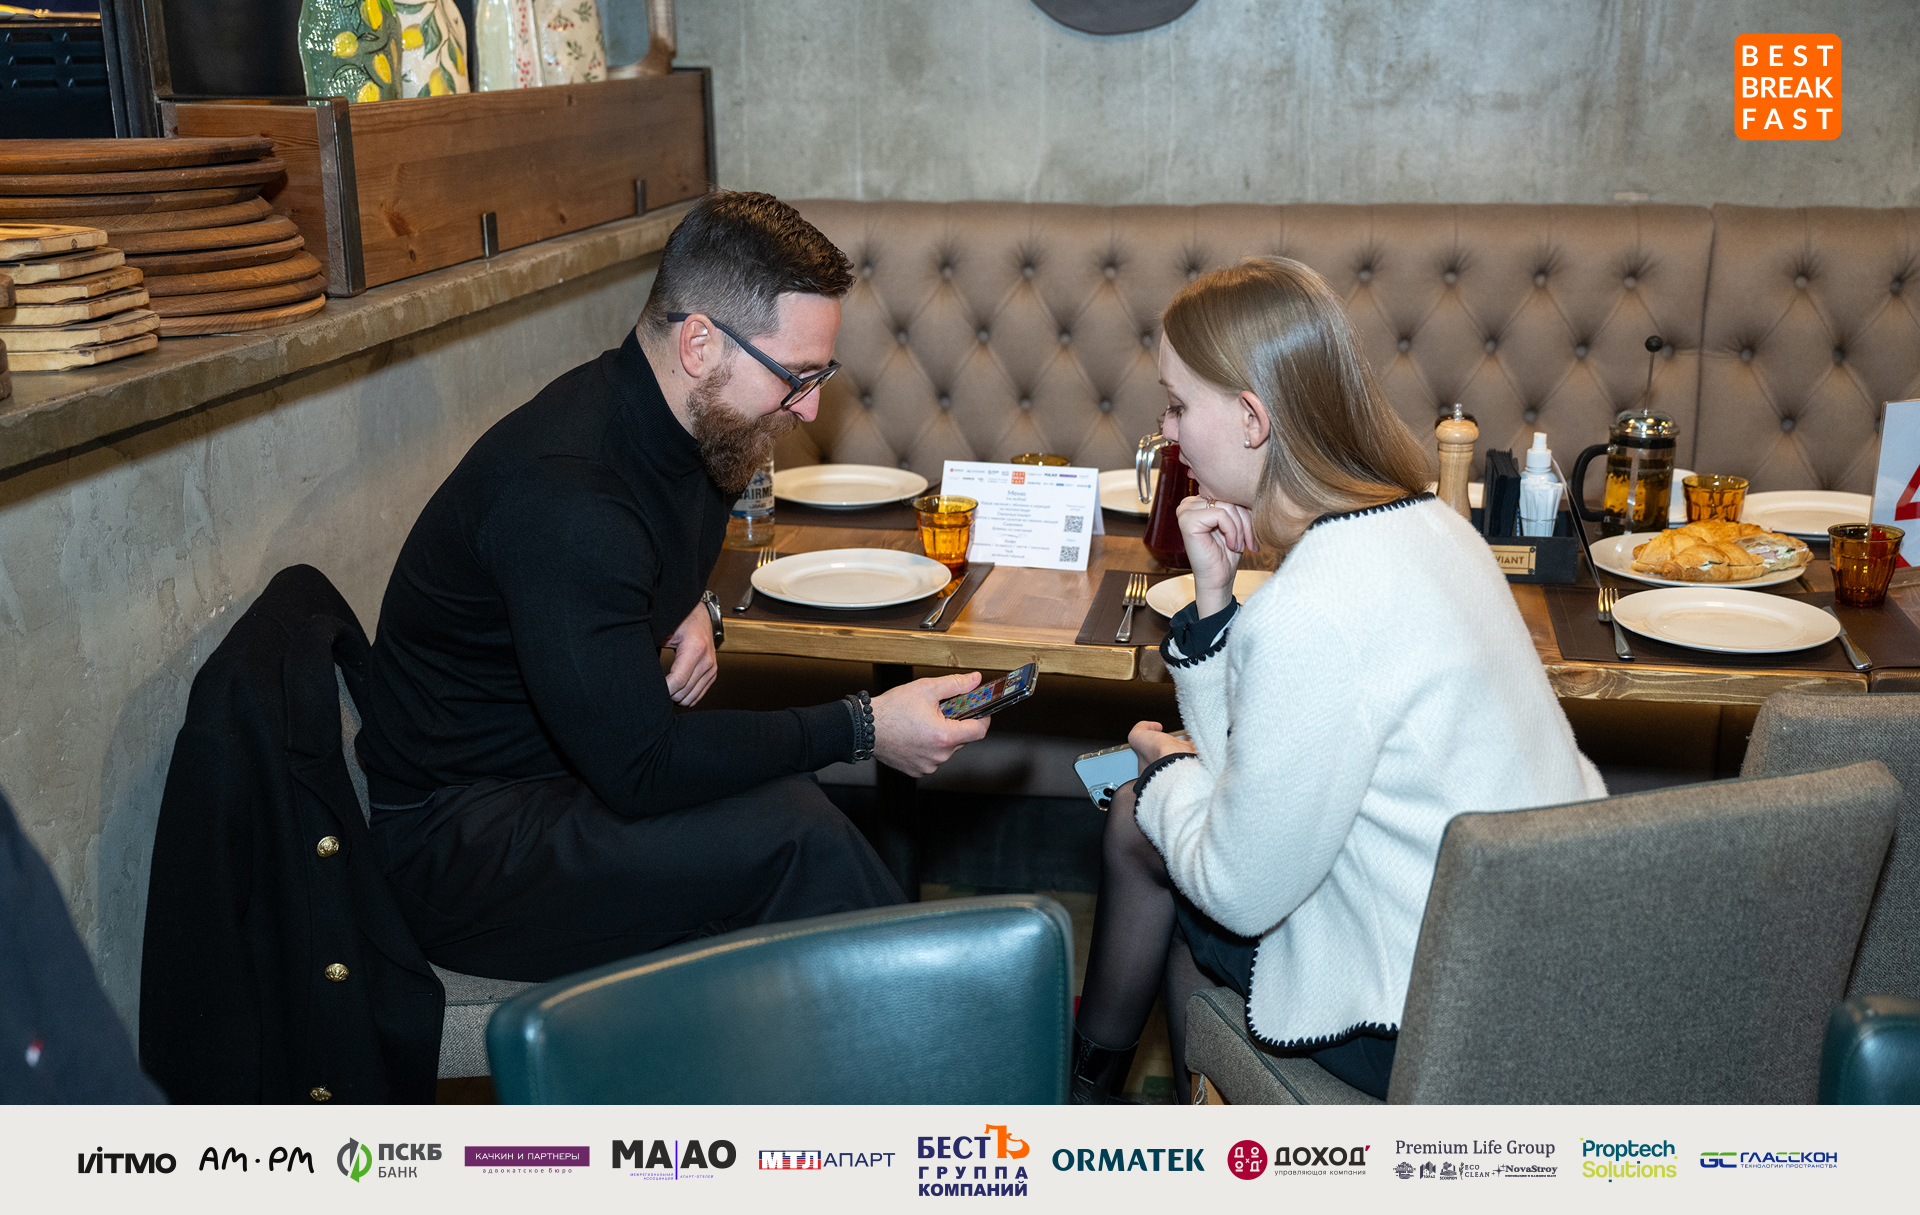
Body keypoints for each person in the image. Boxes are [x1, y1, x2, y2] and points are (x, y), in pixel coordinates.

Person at [355, 192, 988, 983]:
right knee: (799, 836)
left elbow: (631, 559)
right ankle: (951, 1035)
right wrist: (863, 726)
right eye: (795, 376)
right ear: (698, 342)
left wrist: (686, 601)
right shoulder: (570, 497)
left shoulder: (699, 430)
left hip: (562, 777)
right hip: (461, 845)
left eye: (820, 373)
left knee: (785, 809)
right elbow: (643, 767)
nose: (812, 406)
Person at [1070, 257, 1605, 1102]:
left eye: (1177, 406)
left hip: (1431, 1016)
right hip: (1543, 964)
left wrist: (1166, 773)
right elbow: (1259, 779)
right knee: (1170, 826)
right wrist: (1213, 601)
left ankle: (1082, 1096)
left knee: (1143, 824)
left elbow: (1237, 888)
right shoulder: (1436, 526)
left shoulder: (1312, 607)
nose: (1168, 432)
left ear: (1252, 419)